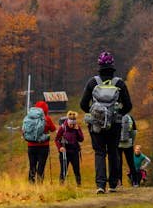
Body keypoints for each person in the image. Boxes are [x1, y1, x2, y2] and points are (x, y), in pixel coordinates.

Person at [80, 51, 132, 194]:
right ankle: (113, 184)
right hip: (115, 124)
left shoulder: (92, 82)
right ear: (112, 65)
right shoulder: (119, 83)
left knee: (99, 152)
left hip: (96, 124)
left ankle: (100, 185)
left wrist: (95, 113)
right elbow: (128, 106)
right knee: (113, 151)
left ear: (99, 65)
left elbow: (83, 104)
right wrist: (117, 113)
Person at [26, 101, 56, 183]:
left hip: (31, 146)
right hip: (43, 146)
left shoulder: (30, 118)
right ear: (46, 109)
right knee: (41, 165)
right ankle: (39, 183)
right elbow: (53, 129)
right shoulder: (47, 118)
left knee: (32, 165)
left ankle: (31, 183)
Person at [55, 111, 84, 186]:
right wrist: (60, 147)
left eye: (73, 124)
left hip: (74, 151)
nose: (71, 126)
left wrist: (77, 130)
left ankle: (79, 184)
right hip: (64, 152)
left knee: (76, 169)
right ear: (68, 122)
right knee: (63, 169)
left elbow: (81, 139)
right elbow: (57, 139)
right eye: (70, 124)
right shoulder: (62, 127)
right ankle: (61, 184)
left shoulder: (76, 127)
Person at [118, 114, 138, 187]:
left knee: (118, 163)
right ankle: (135, 182)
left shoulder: (115, 116)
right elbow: (134, 131)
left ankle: (119, 182)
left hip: (117, 144)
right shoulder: (130, 117)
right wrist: (132, 142)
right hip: (128, 143)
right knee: (131, 162)